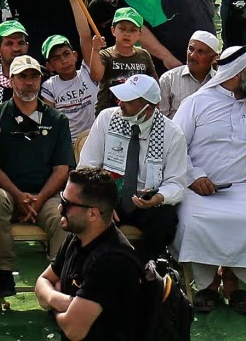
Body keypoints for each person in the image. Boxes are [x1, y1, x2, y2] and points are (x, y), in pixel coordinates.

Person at [173, 46, 246, 316]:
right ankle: (207, 285)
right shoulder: (196, 103)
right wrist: (193, 176)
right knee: (192, 223)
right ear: (236, 73)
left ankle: (235, 283)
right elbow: (174, 147)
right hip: (200, 188)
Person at [0, 53, 73, 297]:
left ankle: (59, 280)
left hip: (45, 197)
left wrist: (39, 199)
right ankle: (3, 272)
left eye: (34, 77)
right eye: (23, 77)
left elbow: (62, 170)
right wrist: (19, 196)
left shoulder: (57, 120)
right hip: (10, 194)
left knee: (63, 214)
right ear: (11, 80)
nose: (29, 82)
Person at [75, 73, 184, 262]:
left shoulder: (172, 134)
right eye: (120, 98)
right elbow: (87, 167)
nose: (119, 104)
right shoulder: (107, 118)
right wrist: (102, 201)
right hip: (108, 197)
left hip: (146, 202)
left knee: (165, 218)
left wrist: (158, 197)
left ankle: (141, 269)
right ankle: (94, 268)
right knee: (89, 214)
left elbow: (177, 183)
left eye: (128, 100)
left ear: (148, 108)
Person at [32, 166, 145, 341]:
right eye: (62, 199)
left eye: (67, 204)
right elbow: (42, 281)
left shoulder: (112, 260)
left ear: (93, 214)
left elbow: (73, 330)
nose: (60, 209)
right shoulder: (77, 238)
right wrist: (64, 301)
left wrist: (54, 303)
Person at [155, 30, 216, 116]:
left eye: (200, 52)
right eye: (191, 49)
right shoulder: (169, 79)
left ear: (213, 57)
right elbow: (161, 118)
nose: (192, 55)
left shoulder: (219, 81)